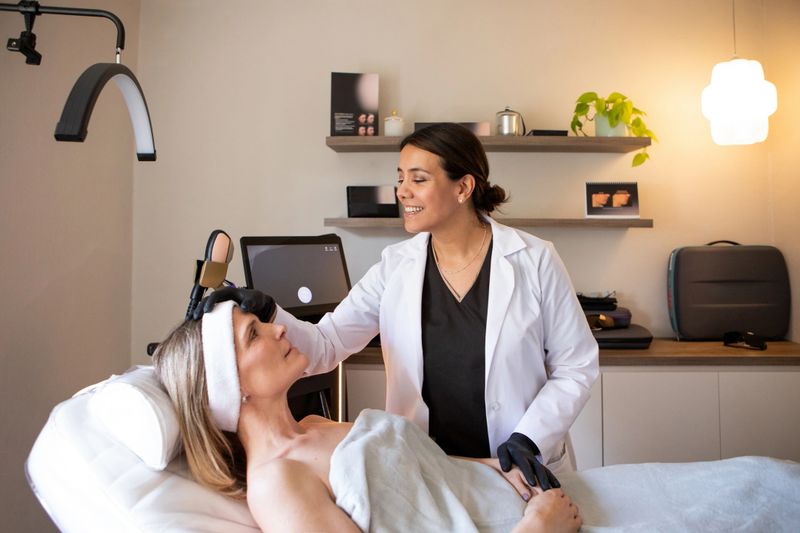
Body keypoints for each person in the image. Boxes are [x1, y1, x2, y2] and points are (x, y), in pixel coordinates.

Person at [196, 123, 599, 491]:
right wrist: (269, 311)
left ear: (463, 188)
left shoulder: (534, 259)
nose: (402, 191)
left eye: (419, 179)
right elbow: (326, 345)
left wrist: (530, 437)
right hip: (428, 474)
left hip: (516, 468)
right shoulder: (395, 267)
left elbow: (576, 365)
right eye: (400, 178)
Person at [153, 302, 583, 532]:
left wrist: (499, 468)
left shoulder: (316, 427)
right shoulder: (276, 483)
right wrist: (540, 530)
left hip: (525, 498)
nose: (280, 328)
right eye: (254, 334)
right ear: (230, 385)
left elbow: (427, 473)